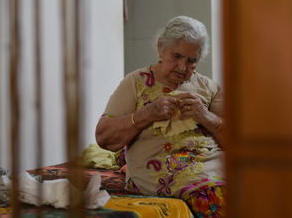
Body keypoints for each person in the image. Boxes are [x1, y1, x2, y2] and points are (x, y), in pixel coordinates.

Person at [96, 16, 225, 217]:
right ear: (161, 48)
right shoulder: (135, 82)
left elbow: (239, 145)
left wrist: (206, 116)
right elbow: (103, 137)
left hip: (214, 166)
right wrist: (147, 114)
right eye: (176, 56)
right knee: (214, 197)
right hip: (162, 173)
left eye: (192, 61)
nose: (182, 68)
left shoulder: (209, 87)